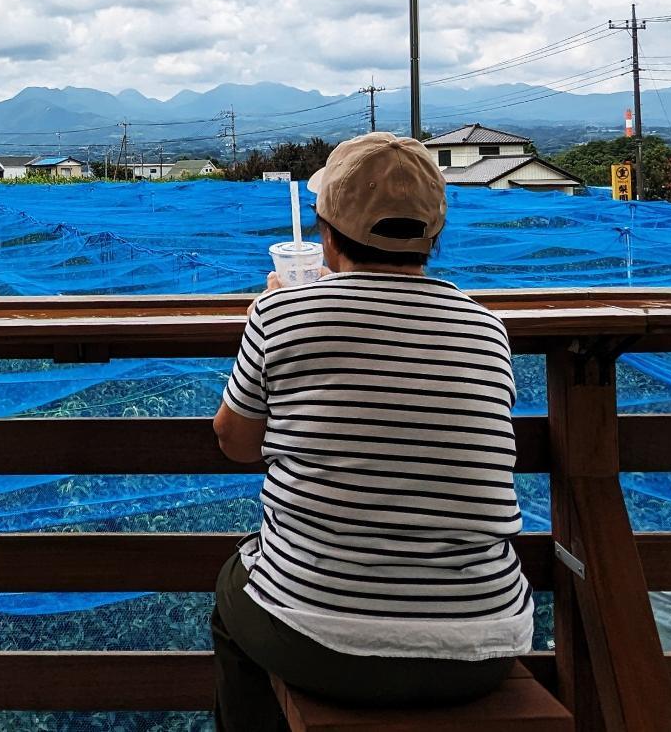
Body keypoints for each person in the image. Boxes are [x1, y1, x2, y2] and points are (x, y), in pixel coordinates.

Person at [210, 133, 531, 730]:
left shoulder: (281, 313)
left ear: (325, 228)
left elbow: (235, 442)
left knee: (235, 596)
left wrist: (283, 312)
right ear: (433, 236)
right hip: (482, 642)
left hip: (320, 637)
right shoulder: (487, 330)